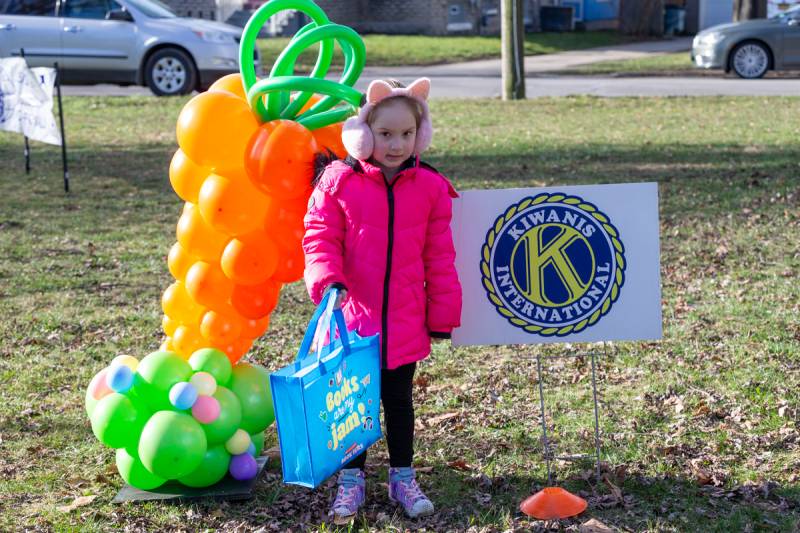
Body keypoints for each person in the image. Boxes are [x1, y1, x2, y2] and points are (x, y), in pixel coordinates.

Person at [302, 77, 462, 523]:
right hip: (354, 317)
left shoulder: (430, 187)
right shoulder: (339, 182)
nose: (396, 144)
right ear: (364, 133)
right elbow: (318, 237)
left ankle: (402, 476)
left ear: (420, 134)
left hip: (405, 318)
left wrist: (443, 313)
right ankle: (351, 482)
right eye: (386, 134)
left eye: (407, 134)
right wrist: (327, 280)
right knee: (353, 403)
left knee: (399, 400)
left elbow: (439, 254)